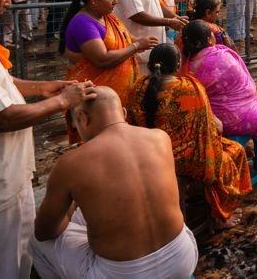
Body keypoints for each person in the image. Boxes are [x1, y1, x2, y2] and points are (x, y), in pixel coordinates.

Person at [0, 0, 96, 278]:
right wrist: (63, 101)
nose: (8, 3)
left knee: (18, 262)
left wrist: (43, 88)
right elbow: (0, 118)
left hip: (8, 181)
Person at [29, 86, 199, 279]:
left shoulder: (72, 163)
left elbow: (45, 232)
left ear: (83, 118)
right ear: (123, 113)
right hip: (182, 260)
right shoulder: (160, 137)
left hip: (122, 274)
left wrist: (71, 204)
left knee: (35, 240)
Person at [128, 44, 253, 226]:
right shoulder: (190, 88)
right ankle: (221, 215)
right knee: (236, 151)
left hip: (149, 157)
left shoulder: (138, 88)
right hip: (186, 161)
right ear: (178, 64)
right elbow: (214, 128)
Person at [182, 20, 257, 182]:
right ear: (209, 39)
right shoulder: (221, 54)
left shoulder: (189, 64)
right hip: (232, 116)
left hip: (238, 108)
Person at [59, 0, 157, 140]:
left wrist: (136, 41)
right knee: (100, 139)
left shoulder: (107, 16)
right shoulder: (83, 23)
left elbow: (124, 36)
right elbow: (101, 59)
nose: (115, 2)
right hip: (96, 98)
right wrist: (135, 47)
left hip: (117, 93)